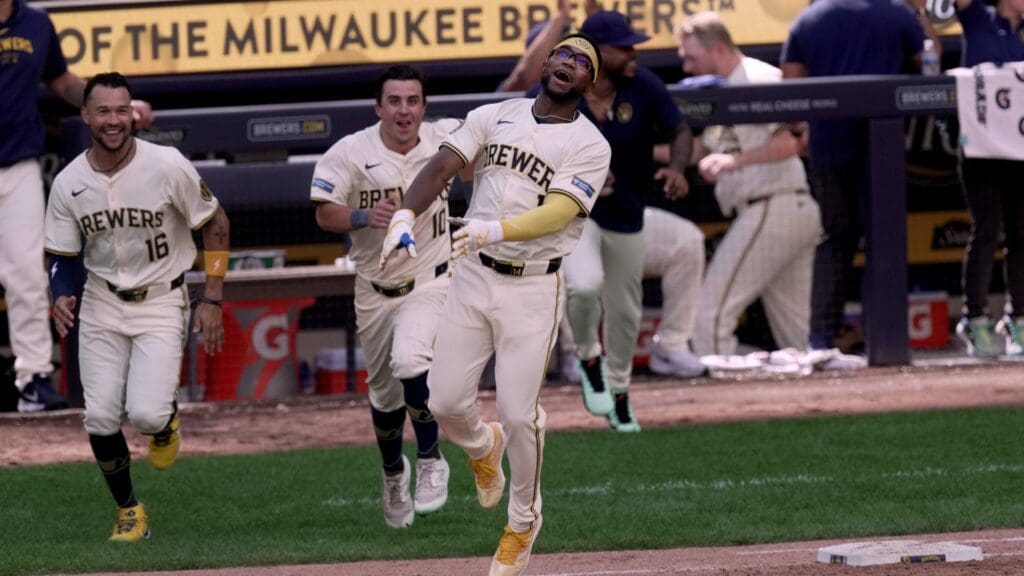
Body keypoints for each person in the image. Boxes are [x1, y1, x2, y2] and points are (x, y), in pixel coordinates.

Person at [379, 34, 610, 576]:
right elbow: (439, 167)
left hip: (532, 286)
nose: (569, 64)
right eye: (563, 55)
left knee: (520, 413)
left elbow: (558, 213)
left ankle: (524, 520)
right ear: (546, 62)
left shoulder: (591, 144)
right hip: (473, 276)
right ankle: (485, 448)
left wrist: (495, 228)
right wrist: (402, 217)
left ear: (588, 83)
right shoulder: (494, 113)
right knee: (443, 404)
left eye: (582, 63)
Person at [44, 72, 228, 542]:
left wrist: (212, 295)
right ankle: (130, 510)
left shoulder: (167, 164)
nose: (113, 120)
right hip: (102, 302)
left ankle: (163, 422)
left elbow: (215, 221)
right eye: (103, 111)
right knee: (101, 417)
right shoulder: (69, 183)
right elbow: (63, 257)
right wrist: (59, 293)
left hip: (161, 299)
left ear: (133, 114)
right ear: (85, 115)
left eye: (122, 110)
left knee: (144, 415)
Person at [310, 65, 453, 528]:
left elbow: (491, 149)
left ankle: (431, 458)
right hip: (374, 286)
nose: (404, 110)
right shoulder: (351, 151)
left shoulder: (445, 139)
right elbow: (323, 215)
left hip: (432, 278)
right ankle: (394, 471)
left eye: (413, 100)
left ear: (424, 107)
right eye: (394, 101)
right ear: (378, 107)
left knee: (413, 362)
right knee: (386, 398)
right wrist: (360, 216)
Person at [1, 0, 154, 412]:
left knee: (27, 278)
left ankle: (33, 378)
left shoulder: (35, 21)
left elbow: (61, 80)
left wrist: (111, 107)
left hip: (16, 165)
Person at [780, 0, 934, 353]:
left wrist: (800, 126)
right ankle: (886, 338)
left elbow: (789, 84)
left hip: (828, 147)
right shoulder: (897, 12)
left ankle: (820, 340)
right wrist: (920, 13)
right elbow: (930, 65)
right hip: (881, 148)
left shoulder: (809, 18)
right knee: (884, 240)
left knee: (835, 240)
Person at [563, 10, 692, 432]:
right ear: (597, 53)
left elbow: (680, 132)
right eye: (624, 46)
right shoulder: (561, 84)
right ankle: (587, 356)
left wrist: (676, 168)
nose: (634, 52)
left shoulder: (644, 85)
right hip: (573, 212)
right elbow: (528, 137)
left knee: (625, 312)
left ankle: (619, 394)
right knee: (583, 285)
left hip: (627, 211)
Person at [678, 13, 822, 356]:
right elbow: (701, 151)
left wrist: (734, 162)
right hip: (781, 211)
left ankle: (726, 402)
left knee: (708, 320)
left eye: (691, 57)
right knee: (798, 338)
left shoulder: (756, 77)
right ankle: (817, 403)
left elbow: (792, 142)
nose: (686, 66)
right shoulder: (722, 87)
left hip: (775, 206)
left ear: (720, 49)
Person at [558, 206, 707, 381]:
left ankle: (671, 345)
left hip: (620, 212)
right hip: (566, 218)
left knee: (687, 240)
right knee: (562, 256)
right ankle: (579, 354)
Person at [951, 0, 1024, 357]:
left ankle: (1018, 318)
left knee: (1020, 233)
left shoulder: (1019, 35)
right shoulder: (980, 18)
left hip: (1017, 150)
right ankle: (973, 317)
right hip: (979, 150)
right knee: (987, 231)